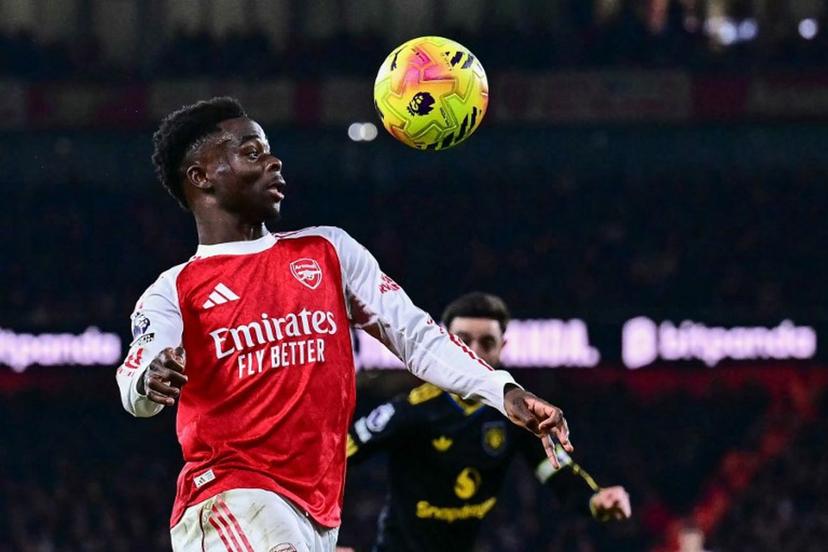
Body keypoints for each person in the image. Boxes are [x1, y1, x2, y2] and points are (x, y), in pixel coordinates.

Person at [115, 97, 573, 552]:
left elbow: (416, 335)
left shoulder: (328, 251)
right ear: (201, 176)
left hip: (317, 510)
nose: (274, 161)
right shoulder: (174, 289)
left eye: (270, 149)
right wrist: (149, 377)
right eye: (251, 151)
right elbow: (136, 380)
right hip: (230, 495)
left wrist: (504, 391)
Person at [344, 292, 631, 551]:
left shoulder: (517, 416)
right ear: (442, 342)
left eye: (487, 342)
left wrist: (595, 500)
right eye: (462, 341)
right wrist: (328, 540)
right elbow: (335, 459)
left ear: (502, 347)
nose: (474, 352)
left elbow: (555, 470)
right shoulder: (409, 411)